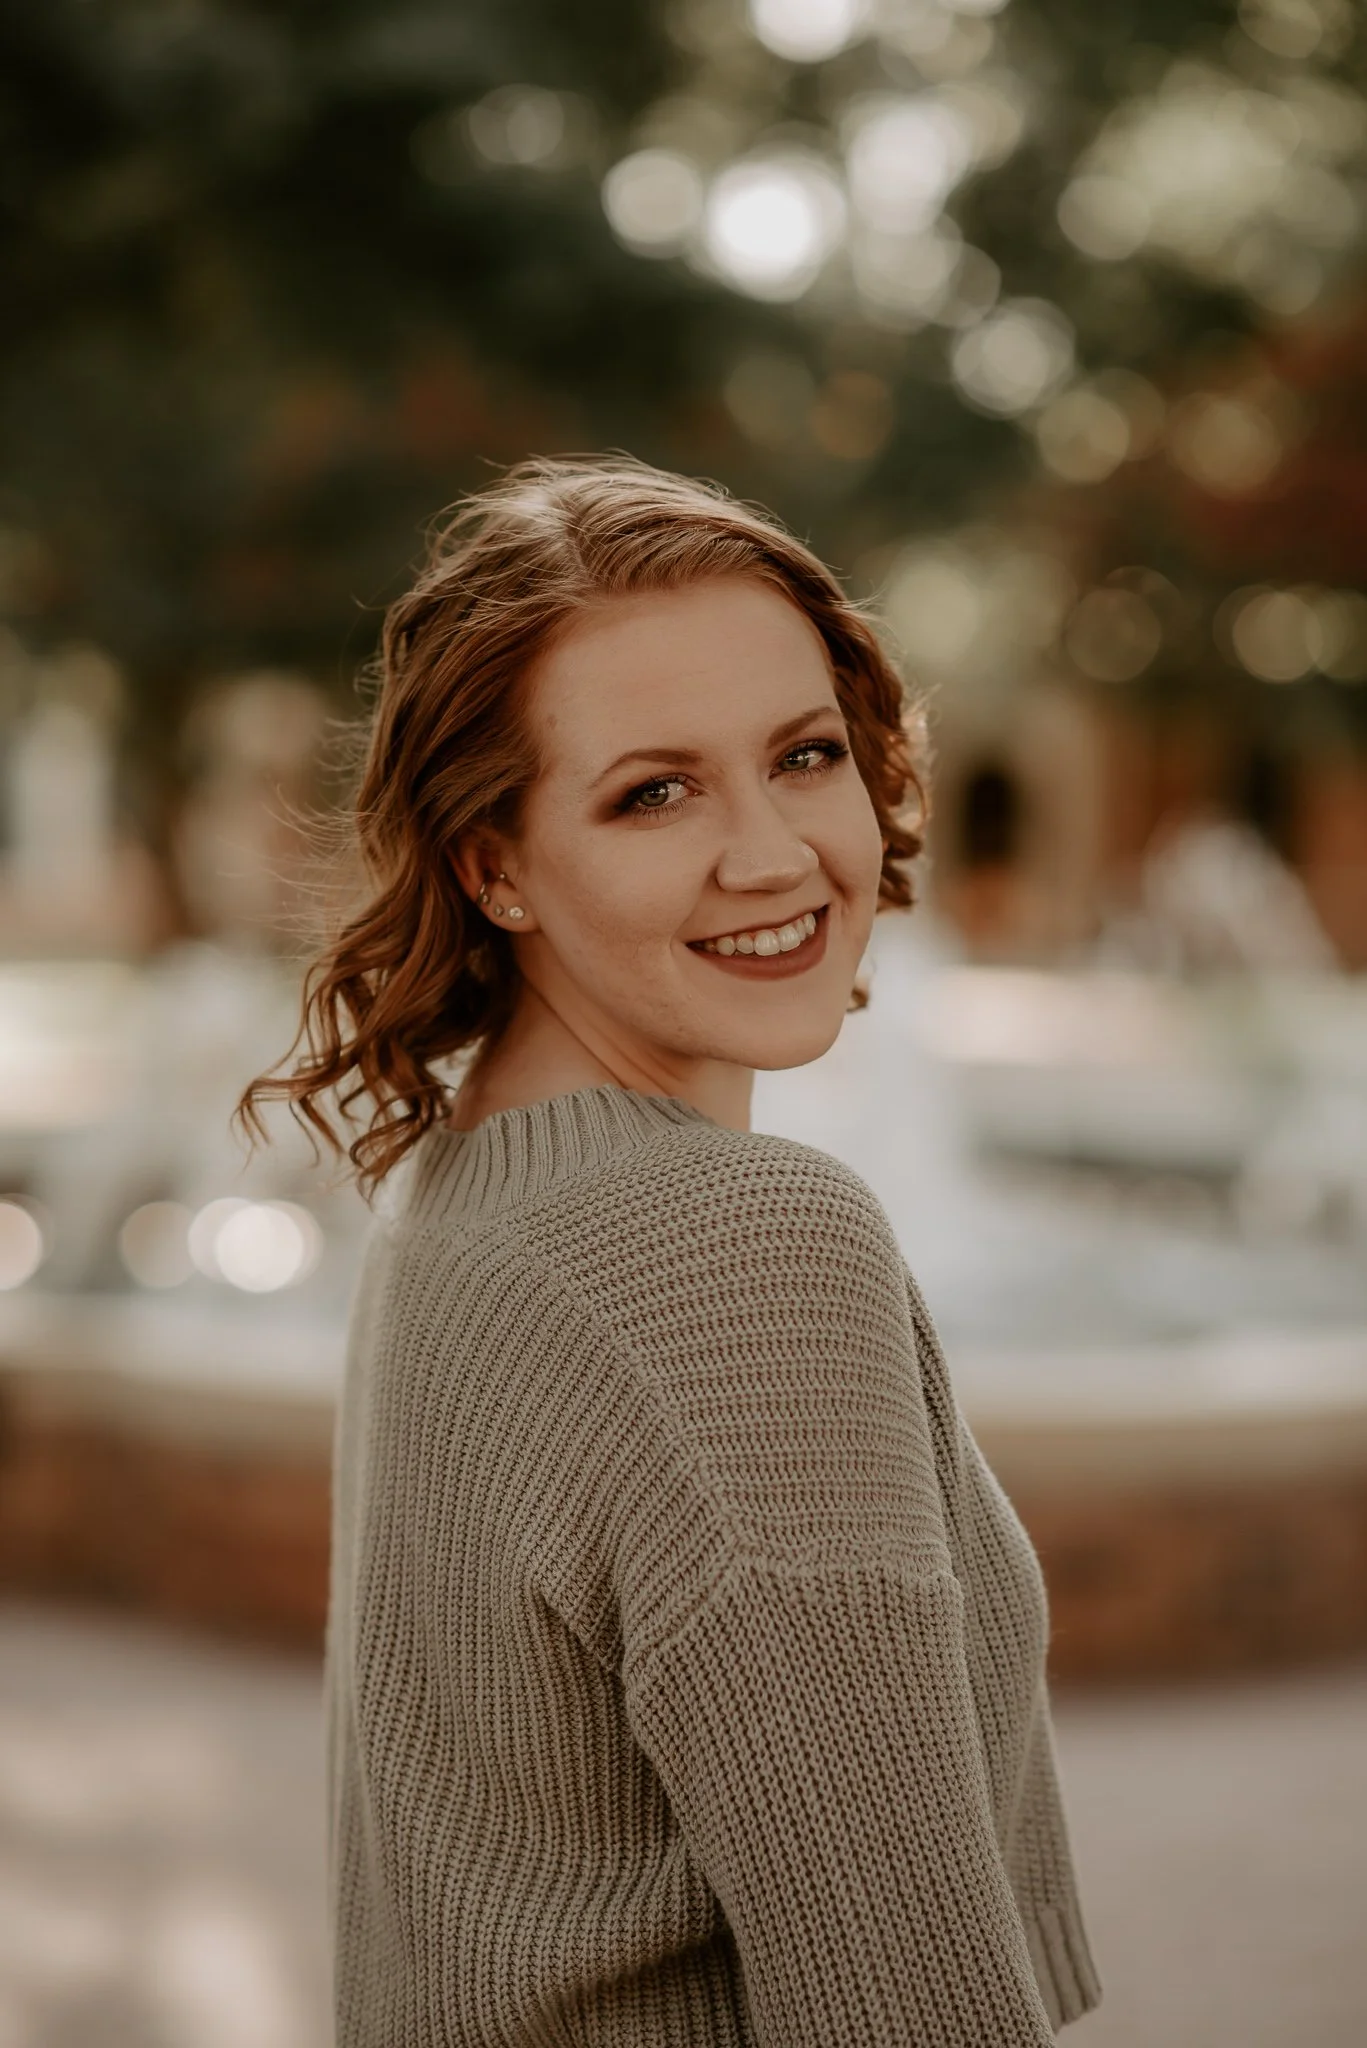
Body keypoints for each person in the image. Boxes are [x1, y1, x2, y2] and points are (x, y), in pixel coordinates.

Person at [240, 455, 1103, 2046]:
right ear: (491, 863)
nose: (772, 854)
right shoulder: (732, 1251)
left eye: (802, 755)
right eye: (655, 791)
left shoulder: (457, 1196)